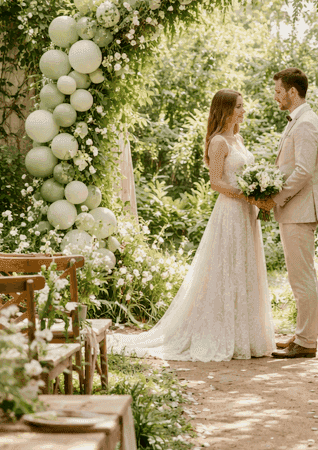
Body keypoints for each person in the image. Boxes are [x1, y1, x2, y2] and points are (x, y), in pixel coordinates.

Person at [110, 89, 275, 362]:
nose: (244, 111)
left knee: (245, 266)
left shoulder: (239, 139)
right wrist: (248, 194)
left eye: (243, 106)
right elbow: (216, 183)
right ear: (226, 110)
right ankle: (220, 333)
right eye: (239, 107)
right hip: (231, 212)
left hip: (247, 214)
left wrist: (258, 192)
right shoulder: (219, 142)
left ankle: (247, 336)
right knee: (227, 267)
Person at [259, 68, 318, 359]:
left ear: (292, 92)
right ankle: (302, 336)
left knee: (303, 278)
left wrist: (276, 197)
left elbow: (302, 171)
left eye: (278, 92)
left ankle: (307, 342)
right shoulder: (298, 121)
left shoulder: (306, 124)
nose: (275, 97)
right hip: (295, 211)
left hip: (299, 210)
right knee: (298, 276)